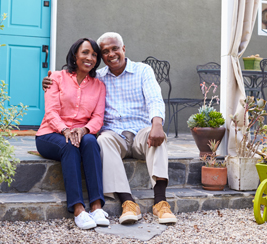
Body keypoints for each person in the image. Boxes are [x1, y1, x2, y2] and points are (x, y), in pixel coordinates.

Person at [43, 32, 177, 225]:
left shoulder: (143, 70)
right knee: (103, 140)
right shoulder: (98, 78)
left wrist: (157, 123)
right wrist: (48, 82)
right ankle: (127, 202)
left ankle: (161, 202)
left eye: (115, 48)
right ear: (102, 57)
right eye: (105, 51)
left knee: (157, 136)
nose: (111, 54)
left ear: (123, 49)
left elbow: (155, 98)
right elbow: (70, 81)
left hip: (141, 131)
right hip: (115, 134)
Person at [36, 38, 108, 230]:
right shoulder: (56, 77)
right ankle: (78, 209)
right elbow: (51, 112)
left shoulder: (99, 86)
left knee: (92, 142)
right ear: (75, 55)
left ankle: (96, 206)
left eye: (94, 55)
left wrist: (84, 130)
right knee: (69, 146)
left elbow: (98, 117)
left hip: (81, 133)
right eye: (85, 52)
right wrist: (65, 130)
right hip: (50, 134)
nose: (90, 58)